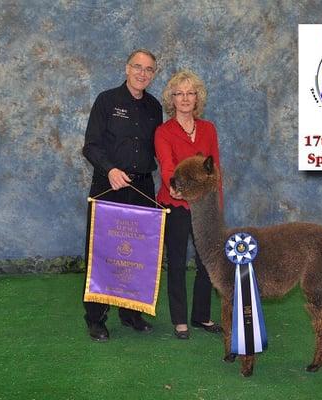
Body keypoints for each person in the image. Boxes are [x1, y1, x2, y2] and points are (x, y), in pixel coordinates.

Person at [82, 49, 163, 341]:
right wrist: (111, 169)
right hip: (109, 185)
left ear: (154, 74)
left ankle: (131, 312)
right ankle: (95, 318)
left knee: (139, 252)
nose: (143, 73)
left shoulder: (155, 107)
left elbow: (160, 148)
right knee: (103, 252)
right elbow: (90, 146)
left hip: (142, 187)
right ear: (127, 68)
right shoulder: (106, 100)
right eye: (137, 67)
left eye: (149, 69)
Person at [155, 70, 223, 339]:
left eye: (190, 93)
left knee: (208, 260)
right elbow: (167, 166)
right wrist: (178, 189)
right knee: (178, 262)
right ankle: (180, 320)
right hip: (175, 204)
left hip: (204, 207)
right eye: (179, 93)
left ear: (197, 98)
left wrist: (217, 203)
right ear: (171, 99)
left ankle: (201, 316)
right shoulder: (163, 132)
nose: (185, 98)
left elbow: (215, 169)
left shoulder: (208, 129)